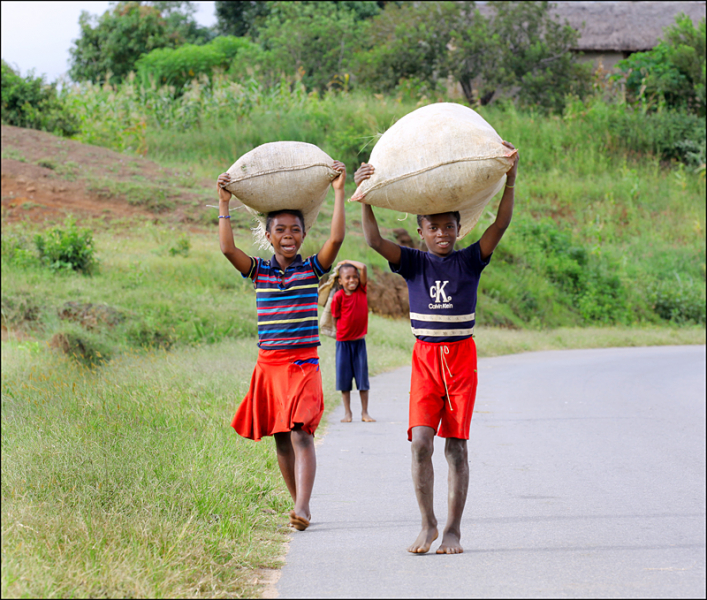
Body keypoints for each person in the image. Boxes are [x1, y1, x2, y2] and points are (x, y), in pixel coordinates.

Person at [355, 142, 519, 554]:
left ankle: (453, 530)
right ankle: (427, 524)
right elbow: (373, 240)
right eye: (434, 227)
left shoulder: (470, 261)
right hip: (426, 360)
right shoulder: (412, 262)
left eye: (449, 227)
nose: (442, 234)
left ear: (458, 229)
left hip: (461, 359)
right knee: (421, 443)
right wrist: (365, 196)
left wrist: (510, 180)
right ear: (421, 229)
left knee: (457, 446)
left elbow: (499, 226)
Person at [217, 160, 347, 531]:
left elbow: (335, 239)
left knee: (300, 432)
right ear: (269, 236)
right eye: (280, 230)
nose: (288, 235)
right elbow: (228, 249)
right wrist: (224, 204)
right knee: (281, 440)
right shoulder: (259, 270)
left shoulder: (312, 270)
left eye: (295, 230)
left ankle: (303, 506)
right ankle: (298, 504)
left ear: (303, 236)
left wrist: (338, 191)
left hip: (303, 363)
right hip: (269, 366)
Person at [330, 260, 375, 423]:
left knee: (363, 379)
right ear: (340, 281)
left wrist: (346, 262)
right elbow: (335, 318)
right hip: (343, 344)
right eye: (347, 278)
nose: (352, 280)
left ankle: (365, 412)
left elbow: (363, 267)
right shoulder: (338, 297)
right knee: (344, 379)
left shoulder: (362, 290)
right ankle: (347, 413)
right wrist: (341, 334)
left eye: (354, 277)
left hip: (359, 343)